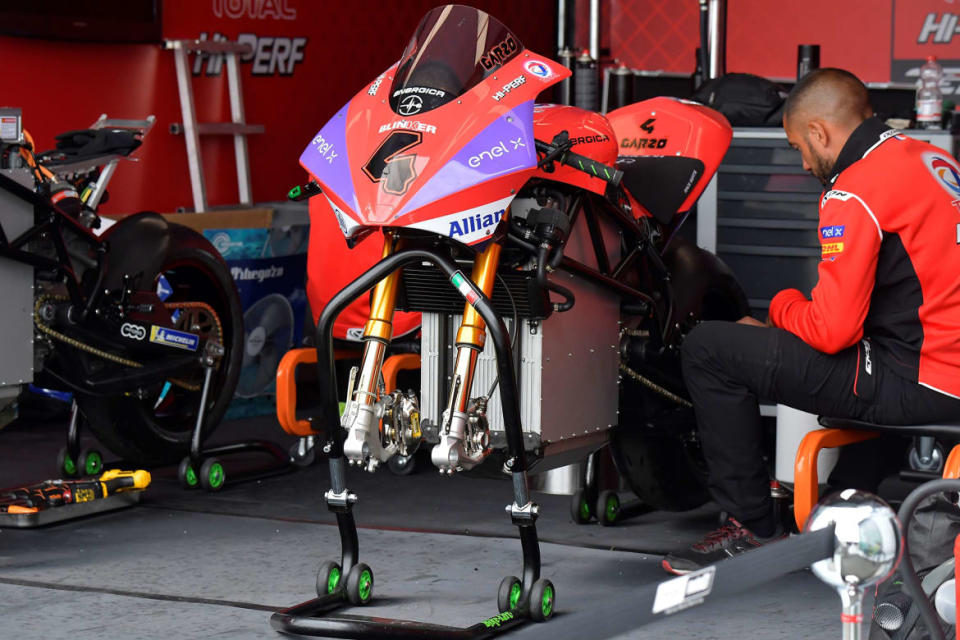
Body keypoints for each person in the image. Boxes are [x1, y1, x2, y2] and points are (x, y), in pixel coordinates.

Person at [662, 68, 960, 575]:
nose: (803, 162)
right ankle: (853, 500)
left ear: (821, 132)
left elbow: (831, 330)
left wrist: (779, 309)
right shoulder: (934, 160)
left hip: (920, 380)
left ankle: (751, 526)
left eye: (801, 147)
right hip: (939, 367)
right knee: (865, 351)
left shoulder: (855, 189)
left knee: (709, 348)